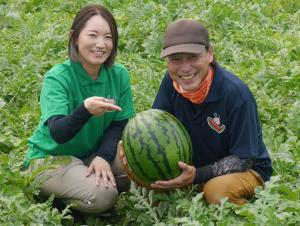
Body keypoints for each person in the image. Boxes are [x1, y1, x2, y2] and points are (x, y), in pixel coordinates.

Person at [120, 19, 272, 205]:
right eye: (176, 59)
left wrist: (197, 175)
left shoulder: (236, 94)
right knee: (129, 163)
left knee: (217, 192)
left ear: (209, 53)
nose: (185, 68)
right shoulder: (171, 83)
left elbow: (245, 159)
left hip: (246, 171)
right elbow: (155, 132)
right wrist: (131, 147)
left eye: (193, 57)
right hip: (194, 167)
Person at [22, 4, 135, 214]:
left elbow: (120, 123)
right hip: (51, 158)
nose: (101, 44)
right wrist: (85, 110)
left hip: (90, 153)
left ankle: (84, 183)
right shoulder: (58, 78)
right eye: (93, 35)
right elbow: (58, 133)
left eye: (108, 37)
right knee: (105, 195)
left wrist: (102, 156)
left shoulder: (119, 75)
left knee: (142, 163)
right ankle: (57, 195)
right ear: (74, 37)